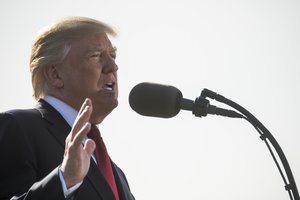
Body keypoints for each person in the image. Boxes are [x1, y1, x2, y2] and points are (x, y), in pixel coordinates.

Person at [0, 16, 135, 200]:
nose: (113, 66)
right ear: (55, 74)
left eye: (113, 56)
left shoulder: (116, 174)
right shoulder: (18, 127)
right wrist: (65, 179)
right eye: (96, 56)